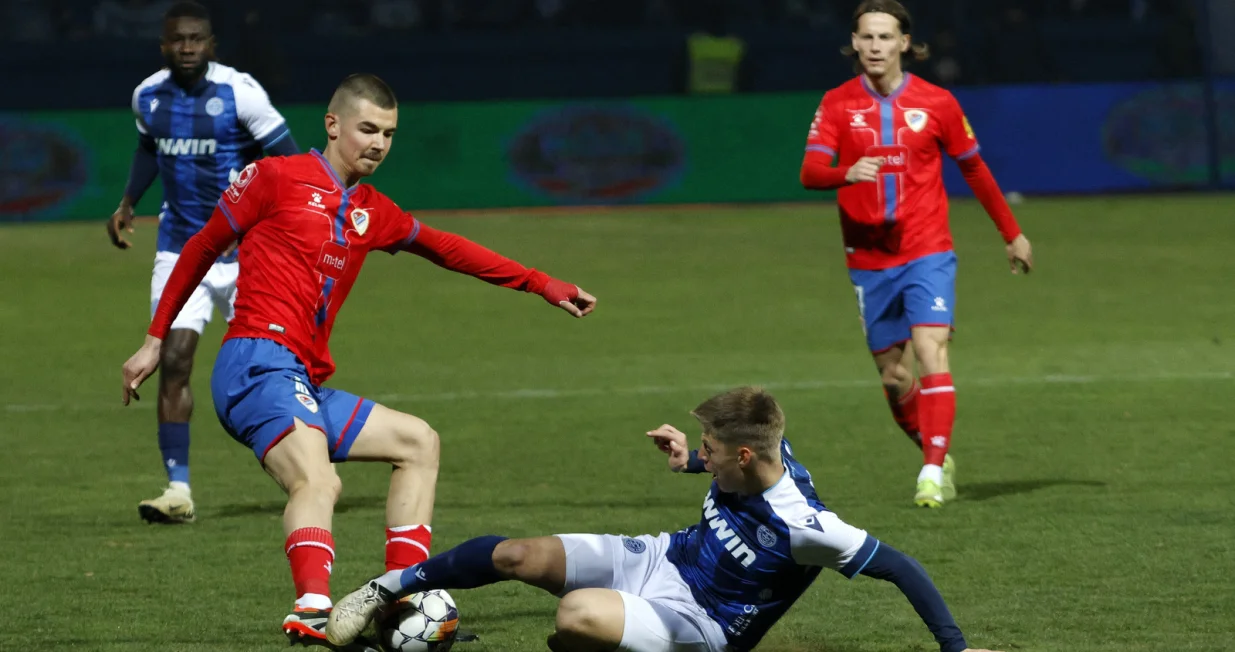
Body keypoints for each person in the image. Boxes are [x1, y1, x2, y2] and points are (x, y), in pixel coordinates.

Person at [119, 72, 597, 645]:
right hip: (255, 361)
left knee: (418, 442)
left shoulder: (373, 209)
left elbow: (447, 248)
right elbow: (199, 246)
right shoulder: (274, 177)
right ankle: (312, 610)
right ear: (332, 124)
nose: (378, 143)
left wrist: (541, 283)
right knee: (318, 482)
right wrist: (154, 338)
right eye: (367, 129)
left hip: (301, 378)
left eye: (389, 134)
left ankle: (401, 596)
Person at [327, 386, 1002, 652]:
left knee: (577, 617)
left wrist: (955, 646)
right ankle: (385, 590)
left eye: (705, 446)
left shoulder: (807, 524)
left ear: (743, 454)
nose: (698, 450)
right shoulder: (761, 454)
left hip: (704, 623)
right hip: (662, 558)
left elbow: (901, 566)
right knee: (516, 555)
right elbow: (722, 476)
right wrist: (687, 463)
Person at [799, 0, 1034, 507]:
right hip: (867, 257)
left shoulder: (938, 102)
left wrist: (1011, 232)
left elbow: (974, 169)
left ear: (905, 43)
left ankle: (930, 472)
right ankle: (936, 452)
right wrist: (847, 171)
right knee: (894, 376)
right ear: (855, 43)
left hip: (928, 248)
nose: (875, 47)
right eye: (867, 37)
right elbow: (811, 171)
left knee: (932, 351)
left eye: (885, 37)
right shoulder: (838, 103)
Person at [106, 0, 300, 524]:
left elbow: (287, 156)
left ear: (211, 44)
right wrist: (129, 201)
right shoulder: (147, 96)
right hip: (181, 249)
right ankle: (178, 490)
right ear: (163, 45)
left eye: (196, 39)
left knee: (276, 364)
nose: (187, 47)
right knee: (173, 359)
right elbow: (150, 149)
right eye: (177, 40)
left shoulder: (240, 92)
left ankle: (306, 472)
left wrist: (280, 223)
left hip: (247, 255)